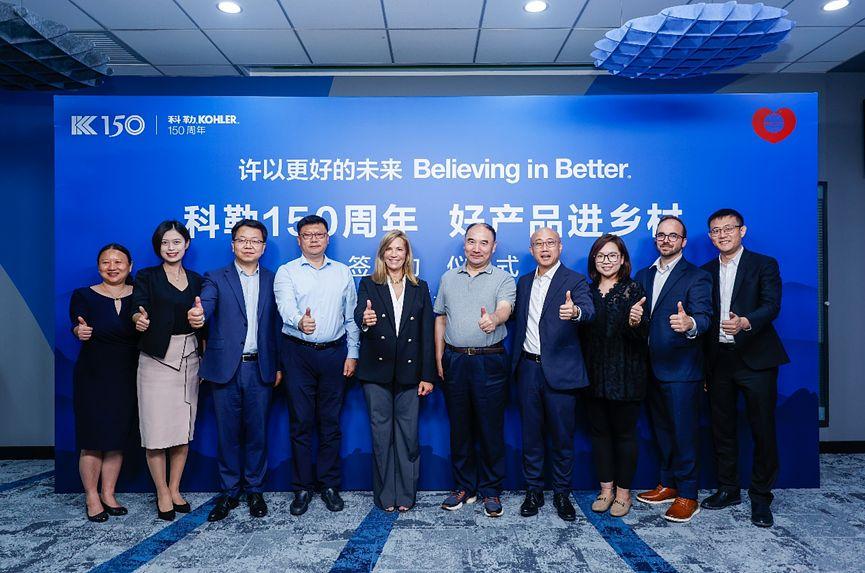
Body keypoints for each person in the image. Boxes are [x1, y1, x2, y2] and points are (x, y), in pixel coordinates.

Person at [187, 219, 283, 522]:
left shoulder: (274, 279)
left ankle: (255, 490)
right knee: (227, 435)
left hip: (261, 367)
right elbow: (207, 307)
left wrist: (279, 364)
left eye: (255, 241)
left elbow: (279, 326)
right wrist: (198, 316)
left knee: (257, 434)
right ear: (233, 245)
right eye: (243, 240)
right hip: (225, 369)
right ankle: (229, 492)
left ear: (263, 247)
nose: (249, 246)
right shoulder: (215, 277)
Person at [700, 208, 789, 528]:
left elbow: (772, 305)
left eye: (728, 228)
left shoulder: (763, 264)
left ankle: (762, 497)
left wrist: (746, 322)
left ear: (742, 231)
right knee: (721, 428)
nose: (722, 235)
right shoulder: (705, 271)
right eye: (715, 230)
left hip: (756, 359)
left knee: (762, 428)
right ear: (710, 236)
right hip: (718, 360)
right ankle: (728, 489)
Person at [274, 214, 360, 516]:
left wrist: (353, 354)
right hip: (297, 353)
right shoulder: (286, 272)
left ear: (327, 238)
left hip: (335, 354)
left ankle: (329, 485)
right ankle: (301, 488)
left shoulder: (342, 272)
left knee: (330, 423)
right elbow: (285, 306)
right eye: (307, 235)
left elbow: (351, 318)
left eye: (319, 234)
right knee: (300, 423)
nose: (313, 239)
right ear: (299, 240)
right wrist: (301, 321)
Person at [510, 227, 594, 522]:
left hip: (562, 372)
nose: (544, 248)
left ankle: (561, 492)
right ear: (531, 250)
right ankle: (533, 490)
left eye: (550, 243)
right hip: (528, 369)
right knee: (531, 436)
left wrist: (576, 313)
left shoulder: (575, 280)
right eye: (538, 244)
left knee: (562, 437)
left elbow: (588, 310)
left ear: (560, 246)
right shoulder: (522, 283)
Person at [633, 215, 712, 523]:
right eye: (661, 235)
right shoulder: (644, 274)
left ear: (684, 241)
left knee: (684, 433)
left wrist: (690, 323)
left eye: (672, 236)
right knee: (662, 431)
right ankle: (667, 483)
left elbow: (704, 316)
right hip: (650, 368)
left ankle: (688, 495)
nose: (666, 240)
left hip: (682, 369)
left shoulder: (696, 276)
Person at [434, 222, 516, 518]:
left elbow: (505, 308)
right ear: (464, 245)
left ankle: (491, 490)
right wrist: (439, 358)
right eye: (471, 242)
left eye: (484, 243)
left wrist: (493, 318)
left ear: (493, 247)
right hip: (455, 360)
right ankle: (463, 486)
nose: (477, 248)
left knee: (490, 427)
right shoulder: (448, 278)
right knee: (460, 428)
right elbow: (440, 319)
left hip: (489, 361)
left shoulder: (504, 278)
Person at [354, 230, 436, 512]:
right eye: (389, 249)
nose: (393, 254)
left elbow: (427, 333)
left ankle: (406, 494)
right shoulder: (368, 284)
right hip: (375, 373)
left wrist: (428, 375)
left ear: (407, 254)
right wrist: (364, 320)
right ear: (382, 254)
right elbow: (358, 315)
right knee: (380, 436)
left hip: (411, 376)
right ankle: (385, 495)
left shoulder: (420, 287)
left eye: (399, 249)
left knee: (408, 436)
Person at [131, 220, 203, 521]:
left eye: (176, 242)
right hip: (157, 359)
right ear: (158, 247)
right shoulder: (146, 276)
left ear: (186, 244)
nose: (171, 248)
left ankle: (175, 488)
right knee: (156, 430)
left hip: (190, 358)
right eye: (164, 243)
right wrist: (138, 318)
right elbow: (138, 307)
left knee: (182, 429)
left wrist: (201, 320)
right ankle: (161, 491)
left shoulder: (198, 280)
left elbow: (205, 316)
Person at [70, 243, 139, 522]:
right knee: (92, 439)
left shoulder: (140, 295)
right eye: (106, 262)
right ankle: (91, 496)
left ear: (130, 266)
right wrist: (80, 331)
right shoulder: (84, 295)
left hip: (127, 374)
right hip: (93, 375)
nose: (112, 267)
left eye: (118, 262)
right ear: (99, 267)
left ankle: (109, 493)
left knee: (116, 440)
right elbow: (77, 325)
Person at [580, 234, 648, 518]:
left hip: (626, 374)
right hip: (593, 375)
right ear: (594, 260)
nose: (606, 261)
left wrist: (635, 322)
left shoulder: (634, 290)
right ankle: (605, 490)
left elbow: (643, 335)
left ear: (622, 259)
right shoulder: (586, 289)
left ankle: (623, 494)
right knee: (599, 435)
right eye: (600, 256)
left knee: (624, 435)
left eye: (612, 255)